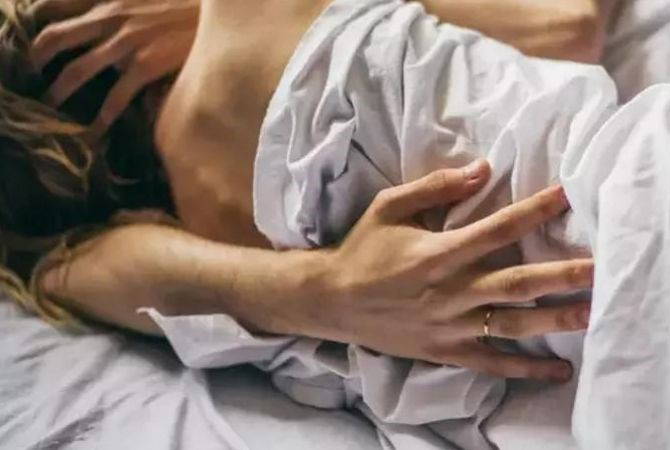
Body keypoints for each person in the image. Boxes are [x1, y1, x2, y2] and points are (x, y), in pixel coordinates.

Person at [0, 0, 609, 382]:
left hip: (585, 349)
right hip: (616, 184)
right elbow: (570, 21)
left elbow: (64, 271)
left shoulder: (190, 235)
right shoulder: (247, 14)